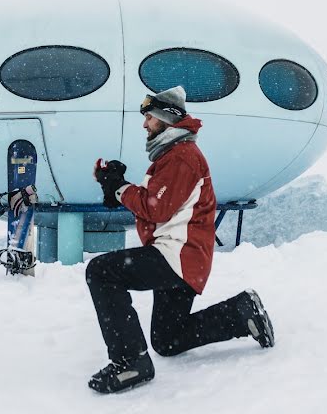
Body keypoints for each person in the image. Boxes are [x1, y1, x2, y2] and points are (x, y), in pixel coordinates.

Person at [86, 85, 275, 394]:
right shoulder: (172, 157)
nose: (144, 124)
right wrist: (116, 187)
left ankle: (129, 363)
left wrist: (120, 187)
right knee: (167, 339)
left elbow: (156, 208)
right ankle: (241, 313)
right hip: (185, 258)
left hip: (178, 255)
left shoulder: (182, 157)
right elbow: (155, 203)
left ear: (166, 118)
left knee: (101, 271)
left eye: (148, 117)